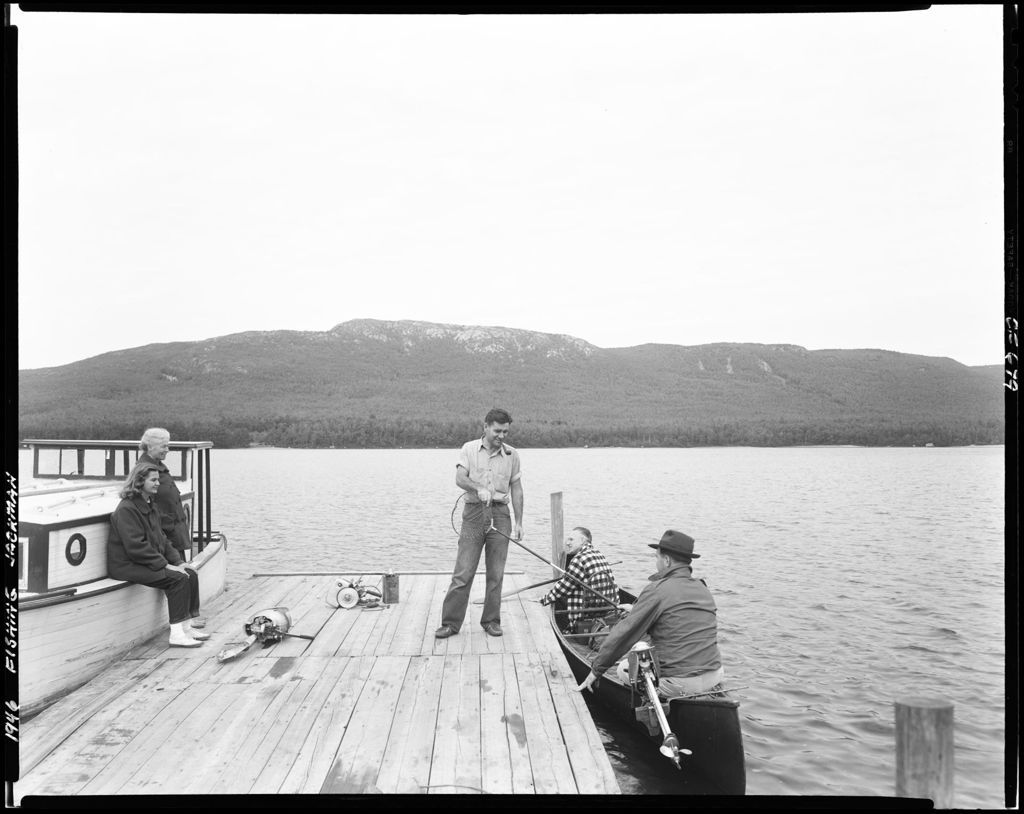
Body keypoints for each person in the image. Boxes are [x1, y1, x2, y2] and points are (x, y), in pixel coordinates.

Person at [571, 529, 724, 699]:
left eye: (657, 557)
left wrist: (596, 670)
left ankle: (643, 701)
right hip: (715, 674)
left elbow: (624, 634)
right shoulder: (703, 588)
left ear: (666, 560)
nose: (656, 562)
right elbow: (679, 615)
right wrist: (635, 609)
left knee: (623, 669)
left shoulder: (657, 590)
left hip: (681, 683)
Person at [435, 408, 524, 639]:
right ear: (485, 427)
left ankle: (491, 621)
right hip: (474, 513)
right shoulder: (469, 449)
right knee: (463, 572)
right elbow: (460, 478)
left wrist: (519, 522)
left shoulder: (512, 455)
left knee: (496, 573)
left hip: (501, 515)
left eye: (505, 432)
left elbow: (517, 489)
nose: (501, 436)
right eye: (497, 431)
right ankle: (450, 623)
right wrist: (479, 488)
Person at [107, 461, 209, 648]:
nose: (157, 483)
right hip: (126, 565)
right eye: (153, 480)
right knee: (178, 579)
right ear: (139, 481)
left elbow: (162, 539)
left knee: (190, 572)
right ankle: (177, 635)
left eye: (158, 480)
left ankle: (187, 628)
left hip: (144, 561)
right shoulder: (127, 509)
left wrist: (178, 561)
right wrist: (165, 565)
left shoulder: (150, 505)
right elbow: (136, 547)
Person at [538, 526, 619, 633]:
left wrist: (543, 600)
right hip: (608, 612)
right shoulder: (599, 553)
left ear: (582, 541)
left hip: (587, 616)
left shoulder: (579, 559)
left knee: (558, 597)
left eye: (571, 539)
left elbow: (562, 588)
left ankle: (570, 629)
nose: (567, 543)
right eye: (567, 539)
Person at [138, 427, 192, 556]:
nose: (167, 450)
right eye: (163, 446)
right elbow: (143, 506)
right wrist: (167, 525)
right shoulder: (144, 470)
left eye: (167, 446)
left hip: (173, 538)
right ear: (150, 447)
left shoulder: (159, 467)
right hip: (163, 541)